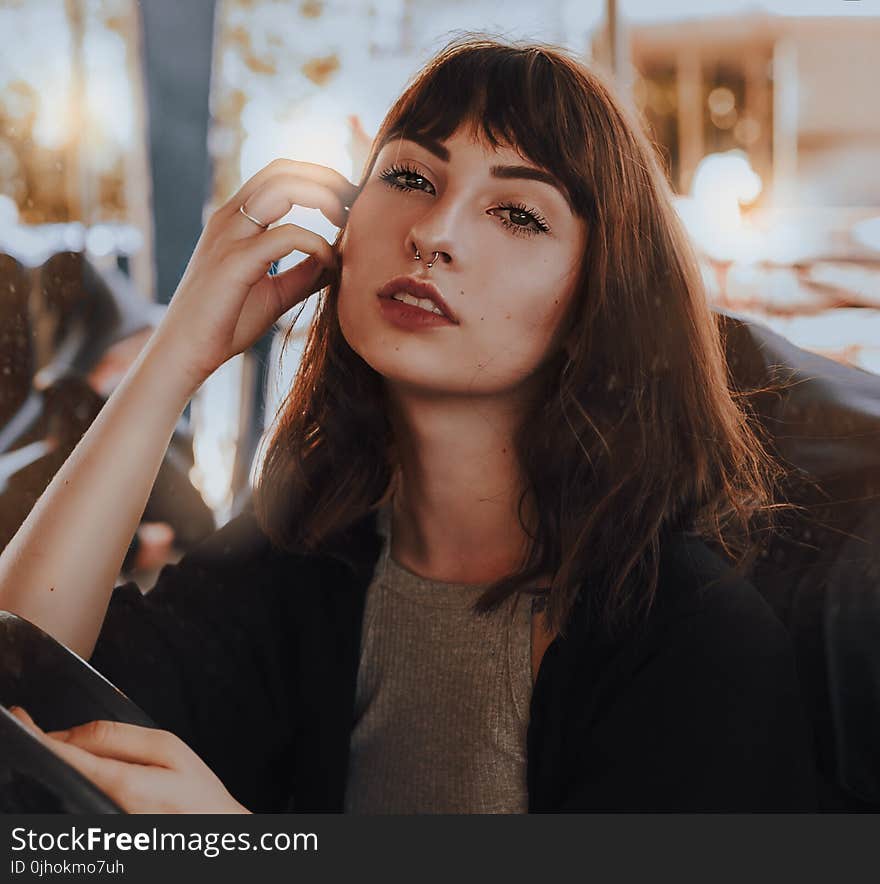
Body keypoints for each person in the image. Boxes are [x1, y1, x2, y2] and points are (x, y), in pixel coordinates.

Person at [0, 36, 819, 814]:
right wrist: (174, 358)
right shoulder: (302, 561)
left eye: (519, 214)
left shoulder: (698, 643)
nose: (433, 234)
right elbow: (21, 698)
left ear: (597, 297)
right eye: (412, 179)